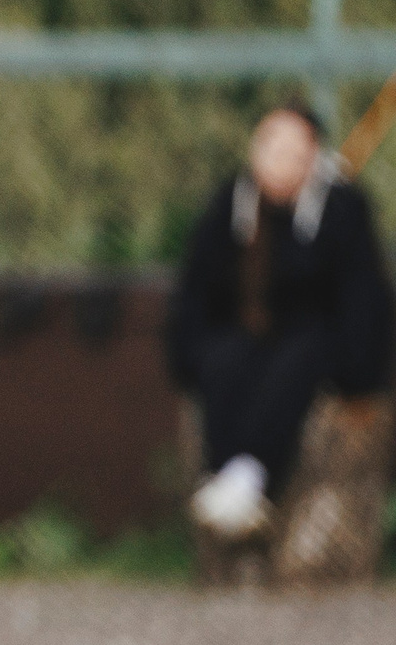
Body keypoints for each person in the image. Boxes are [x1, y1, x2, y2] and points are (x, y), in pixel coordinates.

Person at [166, 104, 395, 537]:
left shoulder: (341, 208)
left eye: (293, 150)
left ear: (312, 157)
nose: (279, 160)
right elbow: (198, 289)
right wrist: (188, 356)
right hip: (245, 337)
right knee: (223, 360)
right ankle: (227, 473)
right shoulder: (231, 204)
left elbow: (363, 296)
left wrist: (361, 376)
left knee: (298, 361)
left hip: (316, 342)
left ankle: (251, 473)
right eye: (271, 146)